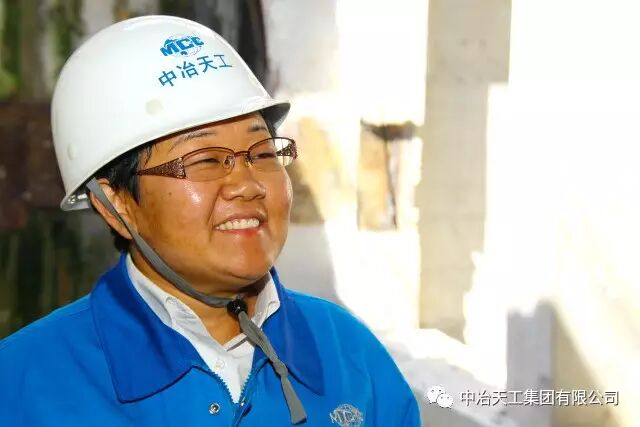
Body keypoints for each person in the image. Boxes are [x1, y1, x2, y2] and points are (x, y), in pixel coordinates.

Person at [0, 16, 420, 426]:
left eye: (262, 153)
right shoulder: (22, 387)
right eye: (204, 161)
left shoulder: (350, 358)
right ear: (116, 204)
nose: (248, 185)